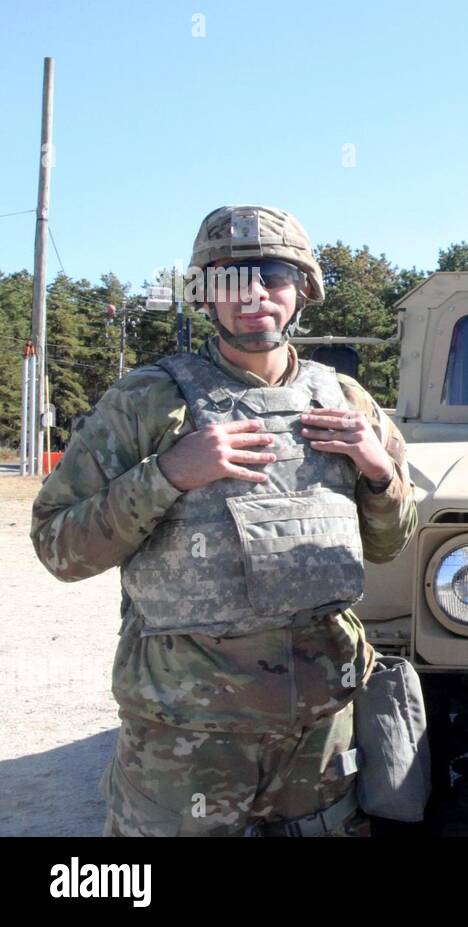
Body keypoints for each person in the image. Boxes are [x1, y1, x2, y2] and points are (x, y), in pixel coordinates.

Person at [31, 205, 417, 836]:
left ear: (304, 291)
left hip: (319, 732)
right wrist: (169, 474)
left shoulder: (346, 401)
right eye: (230, 280)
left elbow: (390, 544)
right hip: (187, 737)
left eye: (273, 275)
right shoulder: (147, 401)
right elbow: (58, 547)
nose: (255, 295)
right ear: (204, 298)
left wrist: (378, 472)